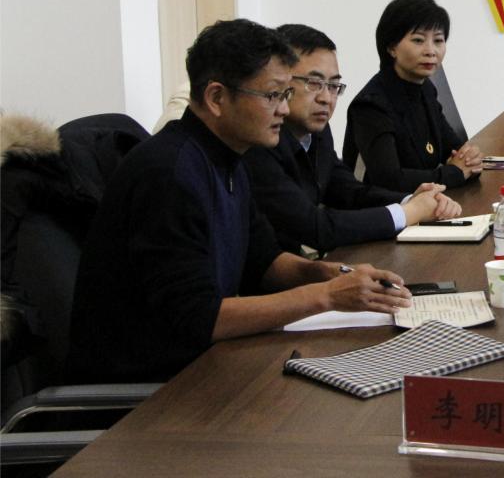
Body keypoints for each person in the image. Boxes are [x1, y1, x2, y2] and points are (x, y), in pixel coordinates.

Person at [66, 20, 412, 383]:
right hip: (150, 389)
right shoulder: (169, 174)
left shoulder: (229, 157)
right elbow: (200, 319)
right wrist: (326, 296)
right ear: (216, 98)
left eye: (286, 94)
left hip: (203, 364)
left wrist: (332, 274)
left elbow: (264, 261)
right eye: (273, 95)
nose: (283, 109)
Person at [244, 24, 462, 256]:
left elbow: (348, 191)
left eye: (333, 86)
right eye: (314, 83)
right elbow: (315, 227)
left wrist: (411, 199)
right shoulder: (258, 144)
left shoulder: (318, 132)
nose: (326, 98)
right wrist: (407, 213)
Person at [343, 0, 482, 193]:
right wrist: (454, 173)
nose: (431, 51)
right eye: (418, 40)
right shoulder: (371, 105)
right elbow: (389, 180)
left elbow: (456, 150)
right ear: (391, 47)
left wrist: (470, 160)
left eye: (438, 40)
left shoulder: (425, 89)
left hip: (422, 201)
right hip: (378, 208)